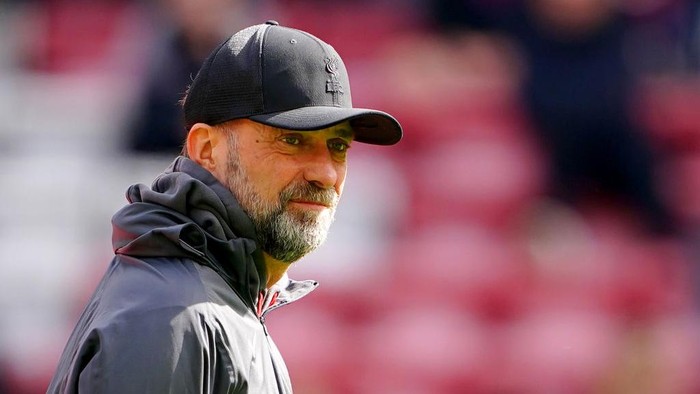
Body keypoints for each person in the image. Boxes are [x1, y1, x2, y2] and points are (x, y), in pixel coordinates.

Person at [48, 20, 402, 393]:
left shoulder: (215, 302)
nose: (326, 173)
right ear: (206, 150)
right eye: (293, 140)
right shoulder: (169, 317)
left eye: (338, 146)